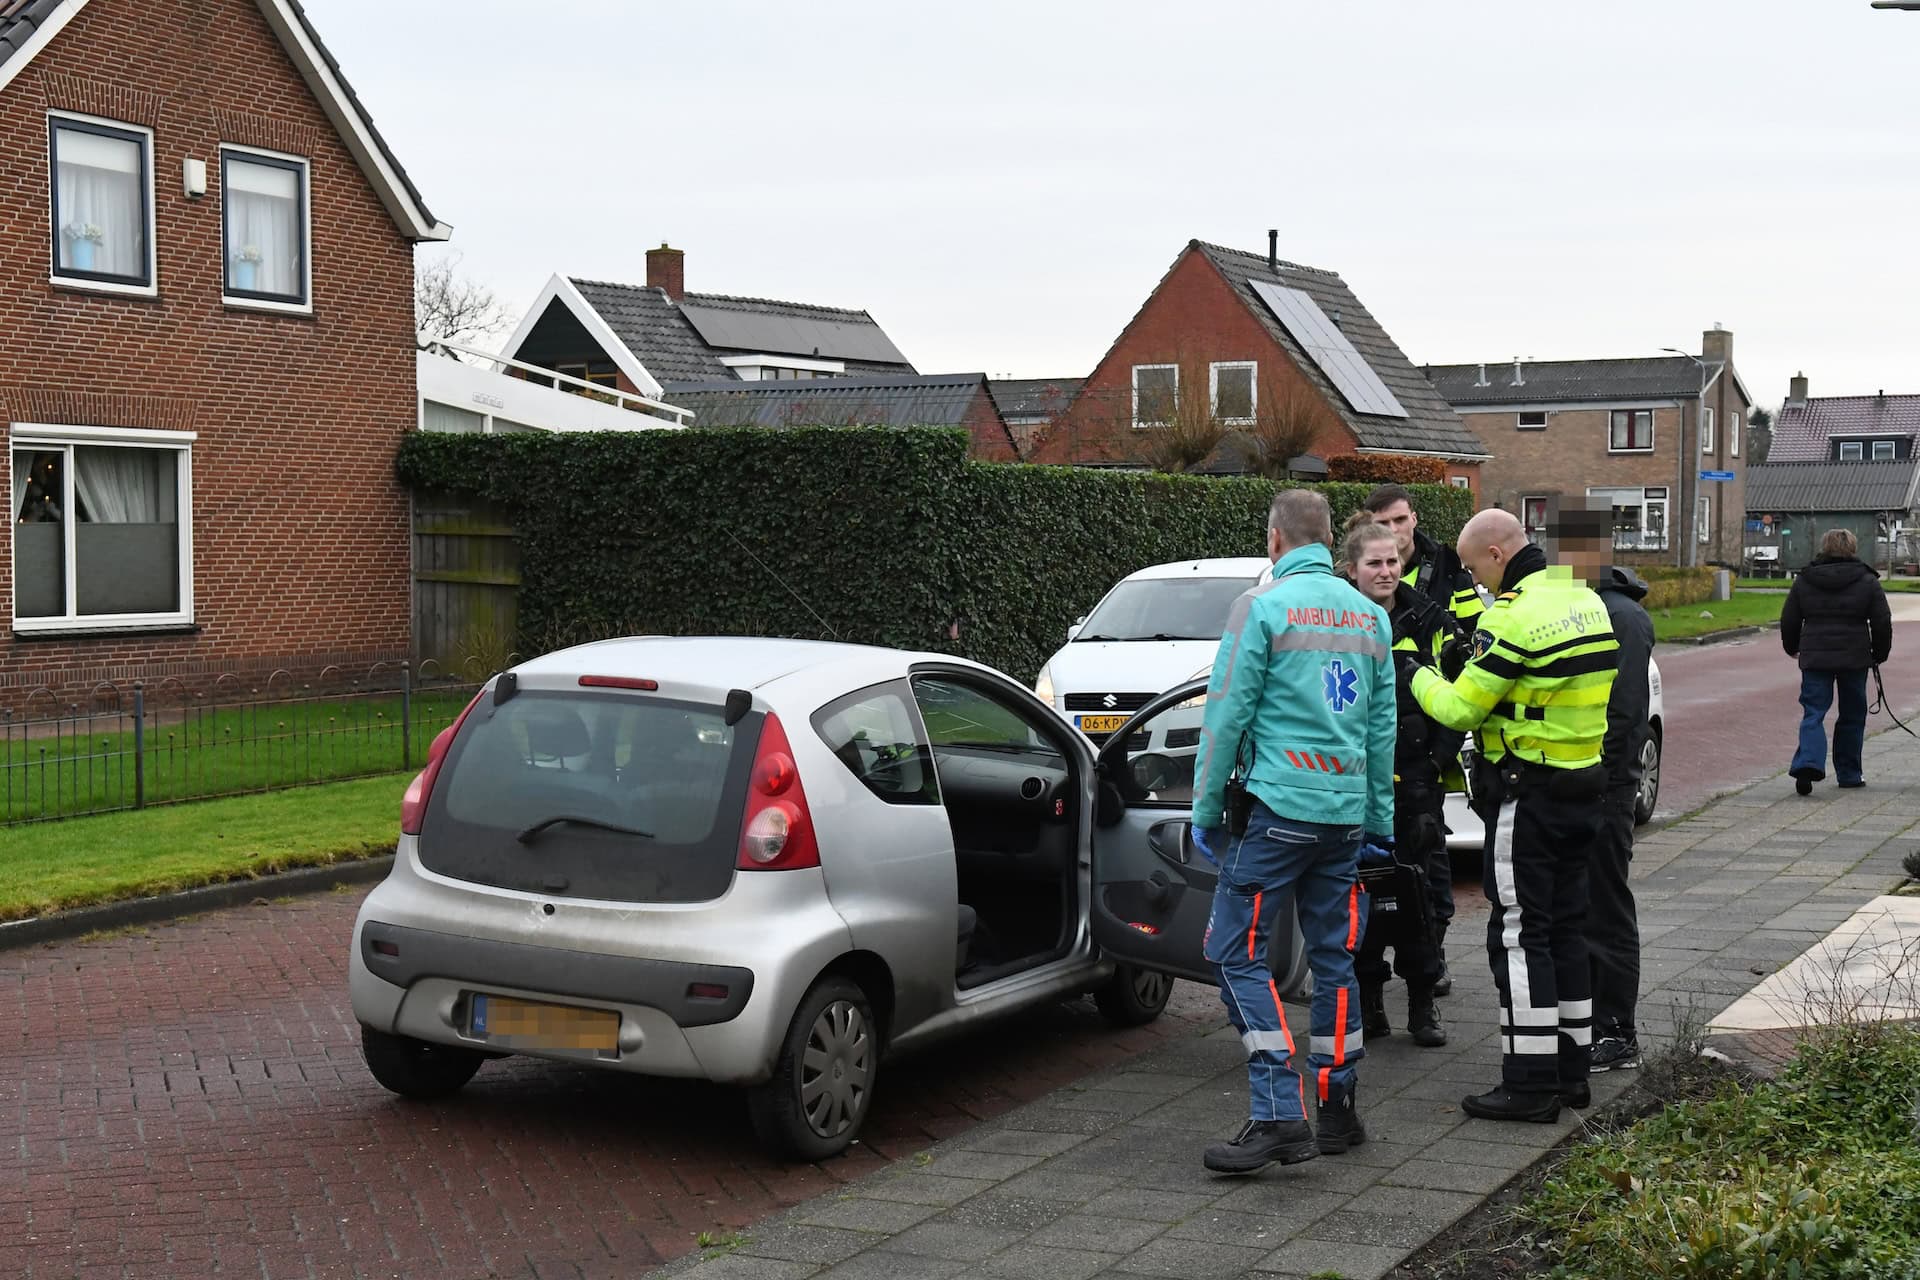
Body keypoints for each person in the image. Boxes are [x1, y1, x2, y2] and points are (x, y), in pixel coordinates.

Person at [1190, 489, 1396, 1174]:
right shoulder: (1371, 617)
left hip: (1276, 814)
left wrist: (1205, 807)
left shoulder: (1263, 608)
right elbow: (1380, 730)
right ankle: (1336, 1104)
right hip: (1340, 820)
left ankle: (1278, 1112)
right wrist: (1376, 822)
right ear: (1328, 538)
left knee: (1235, 953)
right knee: (1335, 960)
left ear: (1275, 538)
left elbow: (1226, 712)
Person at [1404, 509, 1618, 1123]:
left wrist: (1414, 674)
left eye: (1474, 570)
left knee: (1521, 937)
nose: (1476, 584)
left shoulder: (1512, 614)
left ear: (1497, 554)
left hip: (1531, 796)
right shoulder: (1583, 599)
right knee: (1568, 930)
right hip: (1585, 786)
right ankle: (1572, 1072)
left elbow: (1461, 708)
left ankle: (1528, 1083)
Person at [1362, 483, 1481, 995]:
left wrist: (1440, 752)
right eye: (1383, 526)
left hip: (1422, 754)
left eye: (1401, 521)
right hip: (1366, 762)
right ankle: (1366, 984)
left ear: (1415, 520)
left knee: (1428, 869)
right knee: (1367, 873)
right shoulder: (1351, 601)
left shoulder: (1445, 572)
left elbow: (1472, 653)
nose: (1395, 537)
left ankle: (1429, 970)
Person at [1340, 512, 1449, 1049]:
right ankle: (1369, 1001)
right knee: (1361, 900)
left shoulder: (1427, 620)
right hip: (1356, 783)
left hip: (1414, 783)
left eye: (1392, 561)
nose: (1386, 572)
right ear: (1352, 570)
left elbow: (1455, 697)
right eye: (1374, 563)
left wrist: (1434, 760)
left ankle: (1423, 1005)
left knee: (1416, 896)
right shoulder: (1341, 623)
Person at [1556, 504, 1653, 1073]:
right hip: (1578, 783)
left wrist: (1606, 782)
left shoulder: (1620, 617)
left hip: (1605, 788)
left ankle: (1617, 1029)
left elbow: (1625, 713)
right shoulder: (1581, 609)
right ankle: (1588, 1020)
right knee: (1581, 905)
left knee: (1606, 907)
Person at [1782, 529, 1894, 793]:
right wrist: (1879, 653)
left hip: (1816, 655)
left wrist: (1792, 647)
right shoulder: (1867, 580)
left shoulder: (1805, 579)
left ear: (1824, 547)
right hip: (1854, 657)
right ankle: (1849, 773)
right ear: (1853, 548)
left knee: (1813, 711)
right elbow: (1881, 621)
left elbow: (1789, 618)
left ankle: (1808, 763)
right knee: (1853, 715)